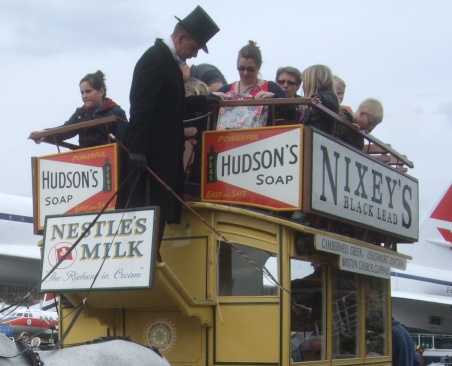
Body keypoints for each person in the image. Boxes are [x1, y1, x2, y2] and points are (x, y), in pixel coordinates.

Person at [123, 5, 220, 225]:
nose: (194, 54)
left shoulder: (166, 61)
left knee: (159, 214)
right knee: (149, 215)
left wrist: (202, 100)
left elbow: (169, 105)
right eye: (194, 47)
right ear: (182, 37)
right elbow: (140, 107)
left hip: (161, 155)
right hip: (151, 156)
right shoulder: (155, 59)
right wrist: (137, 151)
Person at [213, 41, 295, 126]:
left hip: (262, 138)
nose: (245, 73)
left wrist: (275, 98)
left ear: (259, 66)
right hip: (228, 138)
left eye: (250, 69)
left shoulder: (271, 87)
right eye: (241, 68)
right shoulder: (225, 90)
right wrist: (212, 97)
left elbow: (291, 114)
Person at [61, 70, 128, 148]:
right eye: (82, 93)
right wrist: (46, 133)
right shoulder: (80, 113)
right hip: (84, 158)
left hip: (109, 158)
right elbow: (65, 131)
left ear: (101, 92)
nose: (84, 96)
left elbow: (123, 142)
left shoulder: (117, 113)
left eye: (88, 91)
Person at [298, 64, 341, 137]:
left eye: (304, 82)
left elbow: (329, 101)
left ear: (312, 82)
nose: (302, 86)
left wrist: (319, 98)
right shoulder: (306, 105)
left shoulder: (329, 96)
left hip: (316, 140)